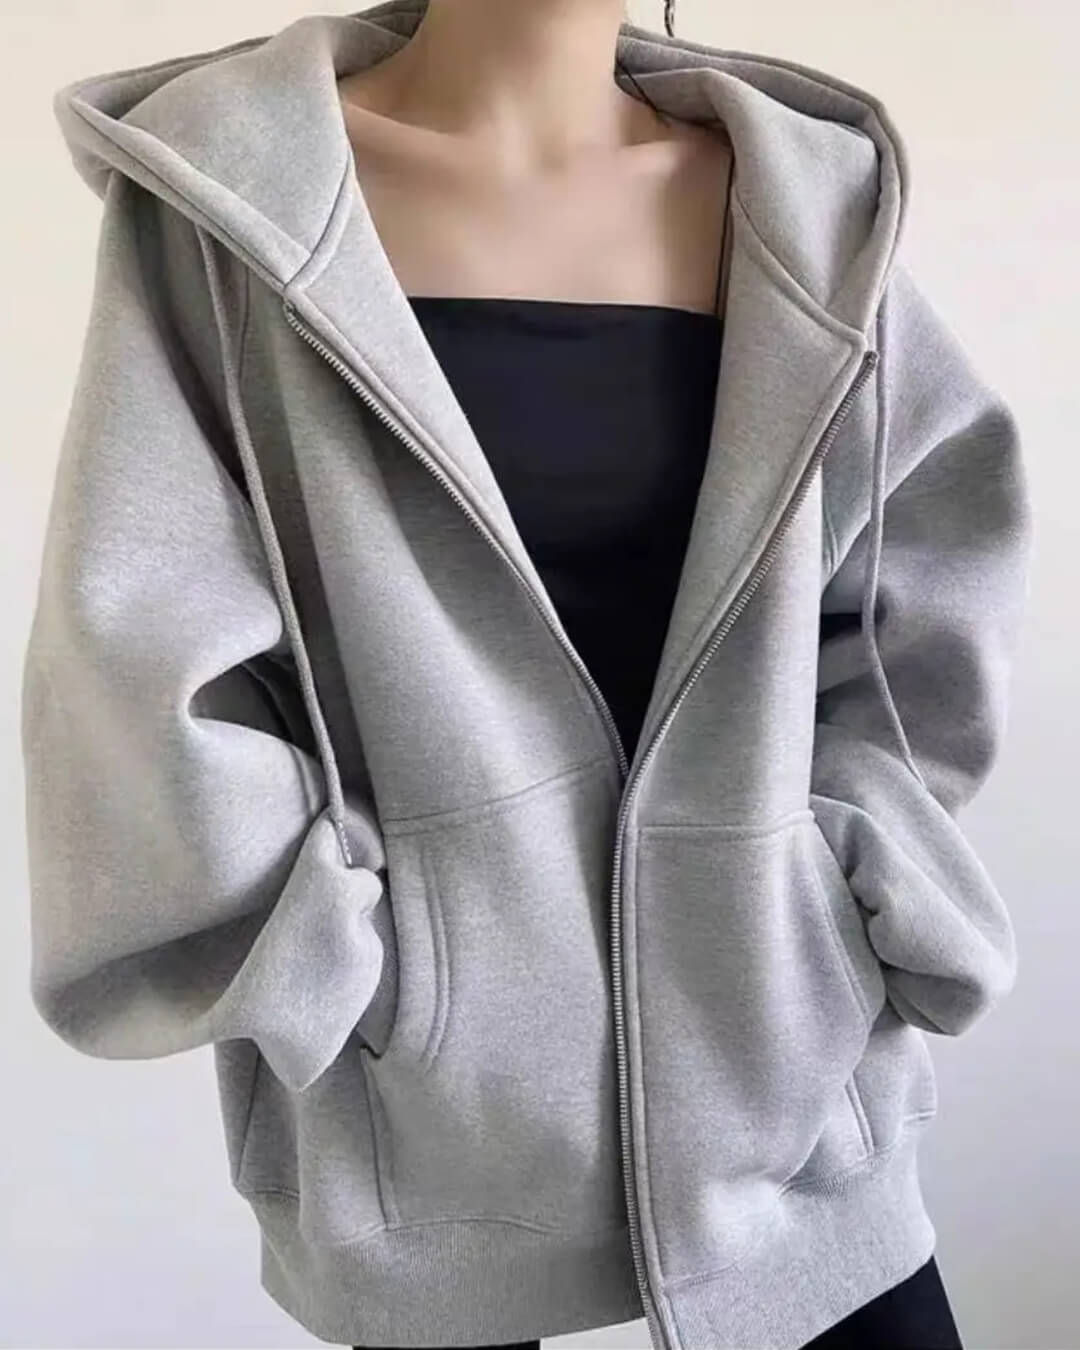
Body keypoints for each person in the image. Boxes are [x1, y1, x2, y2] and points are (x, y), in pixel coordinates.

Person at [23, 1, 1033, 1348]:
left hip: (797, 1123)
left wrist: (844, 885)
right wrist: (355, 974)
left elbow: (923, 597)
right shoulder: (236, 205)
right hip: (423, 1151)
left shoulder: (805, 210)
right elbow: (137, 664)